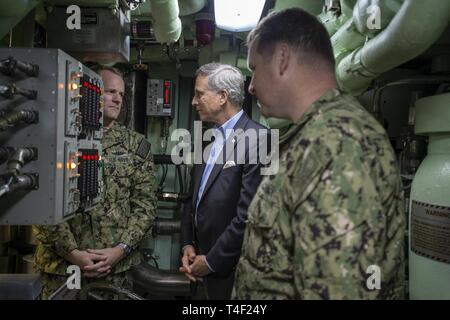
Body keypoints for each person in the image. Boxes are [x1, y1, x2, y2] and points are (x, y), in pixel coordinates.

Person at [232, 8, 405, 299]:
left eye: (254, 69)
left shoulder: (339, 144)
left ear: (282, 59)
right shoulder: (317, 136)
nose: (251, 86)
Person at [33, 66, 157, 299]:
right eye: (110, 91)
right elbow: (41, 203)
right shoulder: (56, 139)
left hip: (115, 269)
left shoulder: (136, 145)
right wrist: (72, 253)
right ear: (88, 93)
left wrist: (120, 250)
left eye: (121, 94)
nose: (118, 99)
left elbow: (145, 207)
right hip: (63, 269)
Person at [180, 62, 269, 299]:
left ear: (222, 97)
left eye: (199, 94)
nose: (193, 102)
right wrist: (187, 244)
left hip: (233, 275)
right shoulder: (207, 141)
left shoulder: (259, 140)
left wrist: (211, 261)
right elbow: (191, 200)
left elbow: (248, 216)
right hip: (199, 269)